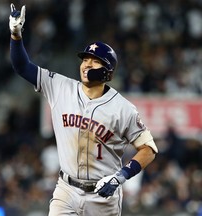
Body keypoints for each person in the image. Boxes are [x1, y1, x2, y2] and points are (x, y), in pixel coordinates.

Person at [9, 4, 158, 216]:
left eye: (95, 61)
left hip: (103, 196)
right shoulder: (59, 86)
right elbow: (22, 66)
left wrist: (121, 176)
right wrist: (16, 35)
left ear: (107, 72)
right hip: (67, 190)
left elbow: (149, 149)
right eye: (85, 59)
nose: (87, 64)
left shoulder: (123, 108)